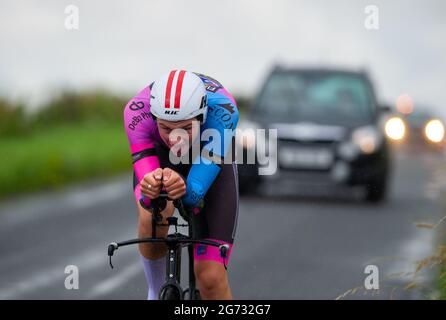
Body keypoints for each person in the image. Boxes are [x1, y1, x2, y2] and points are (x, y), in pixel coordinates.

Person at [123, 70, 239, 300]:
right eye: (166, 128)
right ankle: (156, 292)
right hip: (161, 157)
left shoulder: (224, 112)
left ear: (202, 117)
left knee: (211, 278)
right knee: (153, 212)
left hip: (207, 155)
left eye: (185, 128)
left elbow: (194, 194)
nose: (176, 137)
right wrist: (153, 191)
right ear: (154, 118)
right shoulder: (135, 113)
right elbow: (148, 196)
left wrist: (185, 188)